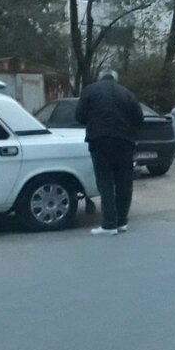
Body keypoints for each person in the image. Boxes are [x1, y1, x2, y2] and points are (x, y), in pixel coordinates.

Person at [75, 70, 144, 236]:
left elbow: (79, 116)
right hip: (125, 141)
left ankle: (109, 224)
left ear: (101, 78)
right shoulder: (127, 93)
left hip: (99, 140)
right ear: (116, 79)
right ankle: (122, 221)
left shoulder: (90, 90)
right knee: (124, 182)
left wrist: (94, 120)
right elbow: (139, 119)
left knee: (105, 181)